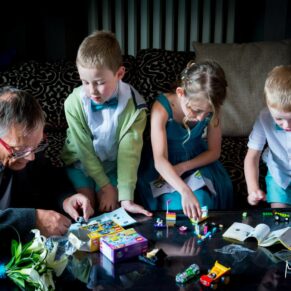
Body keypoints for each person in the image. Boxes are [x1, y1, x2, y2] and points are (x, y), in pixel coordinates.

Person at [61, 30, 152, 216]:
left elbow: (129, 152)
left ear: (119, 74)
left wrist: (125, 196)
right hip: (81, 163)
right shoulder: (73, 103)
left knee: (111, 209)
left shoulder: (135, 106)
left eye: (99, 82)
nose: (92, 91)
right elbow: (84, 150)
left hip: (113, 165)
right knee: (85, 207)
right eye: (85, 82)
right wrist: (104, 186)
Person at [137, 61, 233, 219]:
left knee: (202, 203)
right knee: (178, 208)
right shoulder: (162, 108)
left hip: (196, 161)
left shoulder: (211, 106)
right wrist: (185, 190)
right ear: (181, 93)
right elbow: (160, 160)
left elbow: (214, 152)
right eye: (196, 110)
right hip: (164, 166)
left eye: (207, 112)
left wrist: (182, 167)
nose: (202, 117)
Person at [0, 86, 93, 240]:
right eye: (20, 150)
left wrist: (66, 199)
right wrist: (33, 220)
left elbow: (48, 179)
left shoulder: (28, 148)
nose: (31, 158)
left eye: (37, 146)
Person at [244, 65, 291, 207]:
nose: (286, 125)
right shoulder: (264, 117)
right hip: (279, 173)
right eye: (279, 119)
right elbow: (252, 156)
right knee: (279, 216)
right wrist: (252, 189)